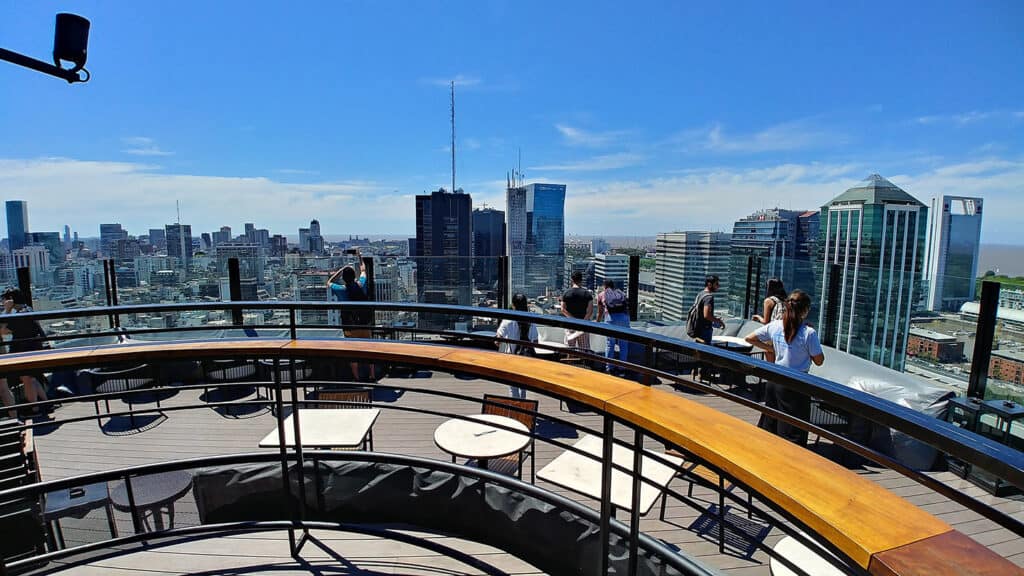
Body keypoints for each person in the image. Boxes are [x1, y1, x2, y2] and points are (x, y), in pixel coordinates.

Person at [744, 289, 825, 445]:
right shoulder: (809, 333)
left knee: (771, 423)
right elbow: (819, 360)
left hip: (774, 379)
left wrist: (771, 349)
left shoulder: (775, 326)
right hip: (796, 384)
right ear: (805, 310)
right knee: (792, 431)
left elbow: (749, 338)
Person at [327, 252, 376, 381]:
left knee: (353, 351)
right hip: (364, 323)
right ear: (354, 276)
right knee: (369, 349)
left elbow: (329, 282)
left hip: (349, 325)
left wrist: (341, 270)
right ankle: (372, 375)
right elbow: (364, 270)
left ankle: (356, 377)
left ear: (344, 278)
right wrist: (359, 256)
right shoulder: (361, 284)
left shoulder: (340, 289)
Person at [0, 289, 50, 416]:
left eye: (5, 299)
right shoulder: (27, 309)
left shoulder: (19, 315)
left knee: (27, 379)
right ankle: (46, 404)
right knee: (31, 378)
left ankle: (34, 410)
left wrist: (7, 310)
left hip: (24, 350)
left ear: (11, 299)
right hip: (34, 348)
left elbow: (1, 331)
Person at [495, 293, 539, 399]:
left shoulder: (508, 321)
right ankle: (523, 407)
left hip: (512, 357)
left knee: (512, 387)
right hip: (526, 358)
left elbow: (497, 341)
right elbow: (536, 342)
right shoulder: (530, 321)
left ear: (513, 305)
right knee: (523, 386)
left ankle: (515, 409)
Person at [597, 280, 630, 375]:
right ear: (613, 286)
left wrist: (597, 323)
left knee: (610, 344)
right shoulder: (620, 293)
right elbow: (627, 308)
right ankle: (622, 369)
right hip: (624, 319)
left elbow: (600, 313)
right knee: (623, 344)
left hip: (611, 319)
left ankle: (609, 368)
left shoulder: (601, 295)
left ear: (604, 286)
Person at [752, 278, 787, 362]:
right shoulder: (786, 300)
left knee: (771, 362)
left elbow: (766, 322)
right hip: (785, 334)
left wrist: (757, 317)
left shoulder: (769, 301)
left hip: (773, 334)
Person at [560, 270, 593, 356]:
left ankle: (570, 365)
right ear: (581, 280)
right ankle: (584, 364)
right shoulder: (587, 294)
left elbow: (563, 309)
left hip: (570, 324)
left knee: (570, 349)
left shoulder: (566, 293)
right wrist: (583, 322)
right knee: (584, 349)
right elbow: (590, 311)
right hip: (583, 325)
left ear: (572, 280)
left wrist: (572, 319)